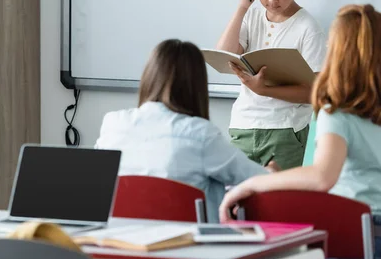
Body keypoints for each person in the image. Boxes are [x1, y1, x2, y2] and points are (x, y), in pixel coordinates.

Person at [219, 4, 381, 257]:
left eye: (331, 43)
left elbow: (322, 177)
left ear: (340, 52)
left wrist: (254, 183)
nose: (327, 47)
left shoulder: (337, 110)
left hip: (356, 233)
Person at [95, 39, 274, 222]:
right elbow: (258, 180)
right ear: (196, 85)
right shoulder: (200, 134)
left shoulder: (113, 124)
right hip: (189, 245)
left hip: (121, 243)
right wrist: (271, 171)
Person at [216, 0, 326, 170]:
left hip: (285, 130)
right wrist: (241, 8)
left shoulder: (308, 27)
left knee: (278, 201)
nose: (272, 0)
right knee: (238, 198)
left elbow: (314, 93)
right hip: (243, 125)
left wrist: (263, 90)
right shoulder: (251, 17)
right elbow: (225, 56)